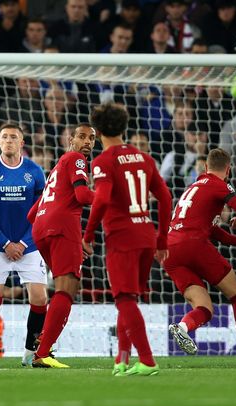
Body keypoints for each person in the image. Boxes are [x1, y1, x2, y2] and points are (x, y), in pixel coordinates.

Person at [82, 103, 173, 376]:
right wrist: (162, 240)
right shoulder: (145, 159)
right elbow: (166, 198)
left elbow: (103, 199)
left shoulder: (102, 162)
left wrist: (88, 234)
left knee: (123, 299)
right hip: (146, 234)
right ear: (124, 128)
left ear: (97, 133)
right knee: (129, 298)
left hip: (122, 238)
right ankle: (121, 360)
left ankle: (147, 359)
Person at [165, 148, 236, 366]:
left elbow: (213, 231)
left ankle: (183, 327)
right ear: (228, 169)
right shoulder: (219, 185)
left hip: (170, 251)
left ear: (205, 167)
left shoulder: (193, 187)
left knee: (204, 308)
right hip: (194, 245)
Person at [0, 123, 48, 368]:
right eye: (4, 136)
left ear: (22, 143)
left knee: (39, 298)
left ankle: (29, 353)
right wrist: (6, 243)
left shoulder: (35, 172)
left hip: (29, 245)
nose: (8, 140)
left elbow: (42, 212)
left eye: (13, 137)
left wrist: (24, 243)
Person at [27, 123, 96, 368]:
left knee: (62, 287)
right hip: (61, 227)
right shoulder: (76, 159)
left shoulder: (57, 168)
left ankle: (44, 341)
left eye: (91, 138)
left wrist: (75, 241)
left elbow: (31, 214)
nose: (87, 142)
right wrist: (112, 198)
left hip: (41, 229)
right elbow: (82, 196)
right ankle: (42, 352)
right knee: (66, 289)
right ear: (71, 140)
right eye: (82, 137)